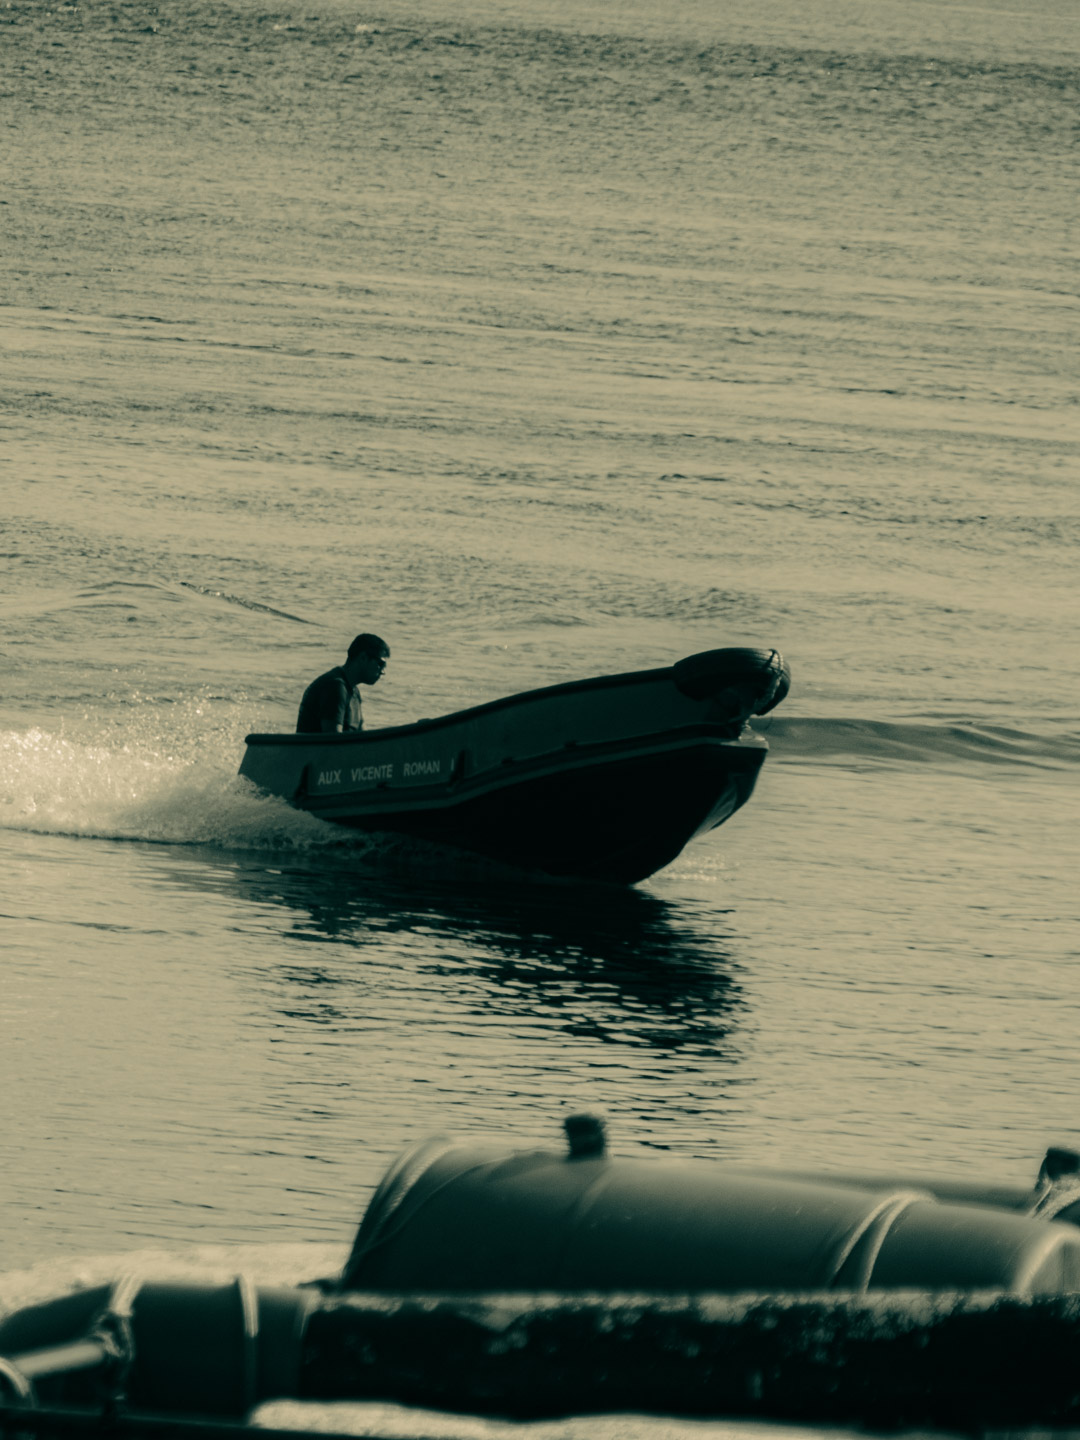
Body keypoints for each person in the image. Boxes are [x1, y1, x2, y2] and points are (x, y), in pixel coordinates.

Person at [296, 634, 390, 734]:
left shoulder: (354, 691)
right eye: (380, 664)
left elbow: (364, 737)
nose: (383, 671)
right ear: (363, 657)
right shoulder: (335, 687)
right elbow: (334, 742)